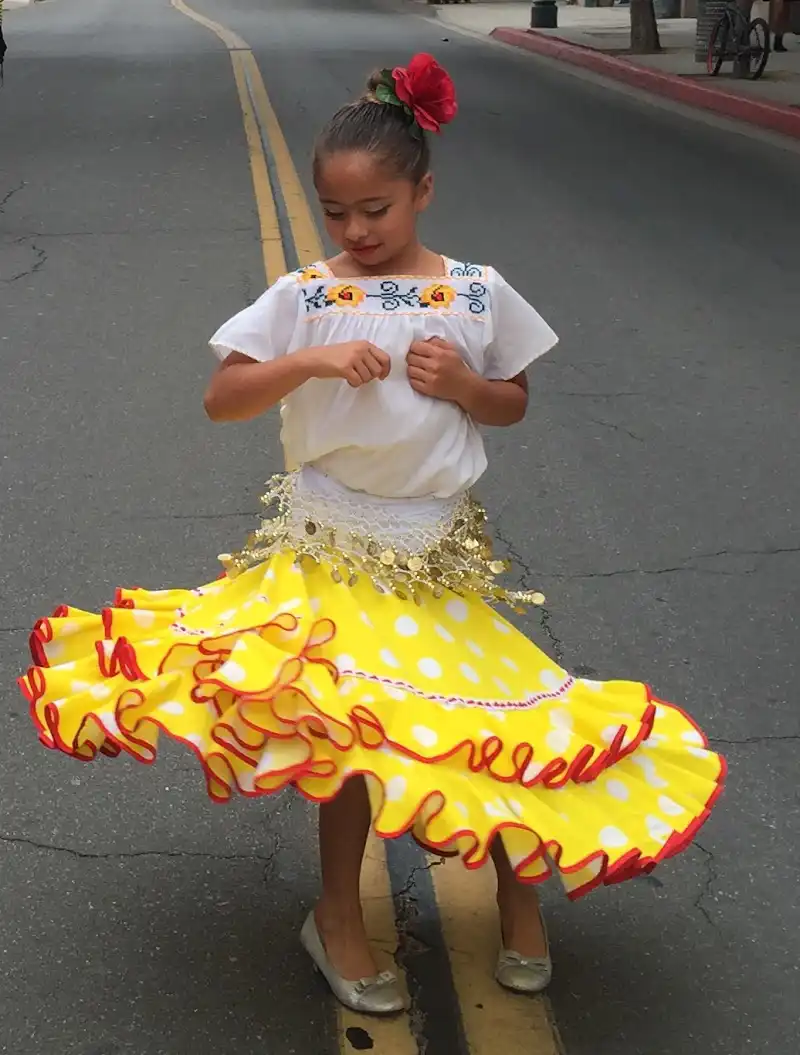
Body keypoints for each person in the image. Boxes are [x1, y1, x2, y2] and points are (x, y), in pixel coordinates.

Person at [19, 53, 725, 1016]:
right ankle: (338, 915)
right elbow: (224, 397)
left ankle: (520, 898)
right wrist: (305, 359)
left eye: (377, 211)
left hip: (437, 555)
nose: (355, 232)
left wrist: (465, 387)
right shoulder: (307, 292)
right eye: (336, 212)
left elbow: (512, 402)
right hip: (328, 557)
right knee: (344, 740)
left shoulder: (476, 292)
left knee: (495, 728)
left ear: (422, 192)